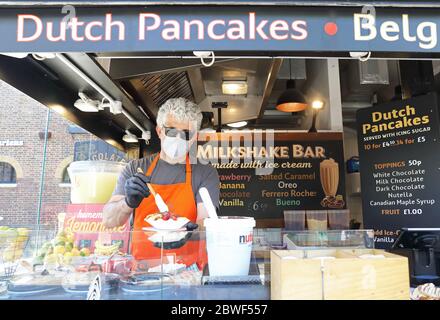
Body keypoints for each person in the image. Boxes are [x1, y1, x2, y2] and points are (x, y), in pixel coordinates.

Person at [103, 97, 219, 268]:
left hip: (188, 272)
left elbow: (206, 223)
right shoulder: (135, 169)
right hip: (142, 271)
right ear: (159, 131)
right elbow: (108, 221)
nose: (178, 139)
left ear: (194, 137)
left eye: (186, 133)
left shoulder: (205, 172)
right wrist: (127, 203)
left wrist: (186, 234)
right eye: (171, 131)